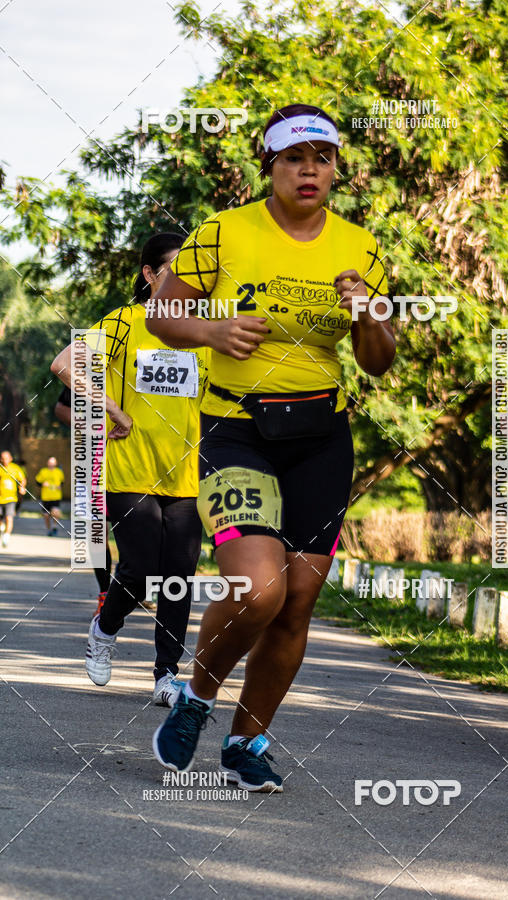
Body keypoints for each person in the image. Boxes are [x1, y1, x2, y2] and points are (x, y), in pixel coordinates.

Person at [148, 103, 395, 789]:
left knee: (296, 603)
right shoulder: (225, 233)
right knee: (258, 589)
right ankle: (197, 699)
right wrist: (213, 331)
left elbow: (377, 360)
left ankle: (246, 745)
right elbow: (164, 312)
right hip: (238, 427)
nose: (309, 168)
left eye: (322, 156)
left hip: (321, 436)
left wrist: (367, 315)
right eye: (294, 157)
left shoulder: (360, 246)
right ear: (271, 167)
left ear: (336, 168)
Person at [51, 233, 206, 707]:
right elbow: (63, 365)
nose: (187, 281)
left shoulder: (202, 331)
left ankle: (165, 674)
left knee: (178, 573)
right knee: (140, 568)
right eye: (176, 269)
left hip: (186, 474)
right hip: (127, 468)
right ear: (149, 274)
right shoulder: (124, 322)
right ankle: (105, 628)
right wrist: (111, 409)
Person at [54, 385, 119, 615]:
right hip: (93, 462)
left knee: (139, 533)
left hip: (137, 460)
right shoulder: (90, 369)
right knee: (96, 532)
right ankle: (105, 594)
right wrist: (89, 426)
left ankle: (138, 588)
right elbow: (61, 408)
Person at [0, 450, 26, 548]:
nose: (5, 460)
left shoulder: (15, 468)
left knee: (9, 518)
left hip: (11, 498)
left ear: (10, 458)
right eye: (3, 458)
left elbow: (22, 479)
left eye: (6, 458)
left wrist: (22, 487)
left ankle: (6, 537)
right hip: (0, 498)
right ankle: (2, 528)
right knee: (1, 520)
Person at [35, 456, 64, 536]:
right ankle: (49, 530)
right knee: (46, 515)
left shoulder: (59, 472)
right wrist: (42, 484)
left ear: (55, 463)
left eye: (53, 462)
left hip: (56, 496)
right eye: (50, 462)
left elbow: (62, 482)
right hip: (46, 497)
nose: (51, 464)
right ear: (47, 463)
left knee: (55, 512)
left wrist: (60, 486)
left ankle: (55, 526)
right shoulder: (43, 471)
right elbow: (37, 482)